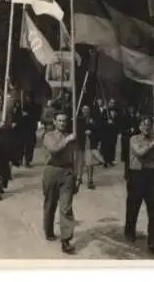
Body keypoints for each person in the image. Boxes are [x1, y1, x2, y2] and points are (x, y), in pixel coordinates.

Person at [125, 116, 154, 255]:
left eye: (148, 124)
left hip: (151, 175)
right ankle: (130, 232)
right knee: (133, 206)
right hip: (136, 175)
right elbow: (140, 153)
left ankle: (153, 241)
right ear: (139, 126)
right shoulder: (134, 139)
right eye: (143, 124)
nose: (146, 127)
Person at [42, 113, 82, 254]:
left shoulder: (72, 137)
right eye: (59, 121)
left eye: (64, 121)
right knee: (50, 204)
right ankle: (48, 230)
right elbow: (54, 150)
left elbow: (77, 157)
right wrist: (67, 141)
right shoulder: (49, 136)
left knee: (66, 208)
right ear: (54, 122)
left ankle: (66, 240)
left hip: (67, 173)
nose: (62, 123)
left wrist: (78, 178)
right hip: (51, 171)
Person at [77, 105, 100, 189]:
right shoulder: (78, 119)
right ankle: (79, 178)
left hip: (90, 144)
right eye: (84, 109)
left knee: (90, 163)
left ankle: (90, 180)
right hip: (81, 143)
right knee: (80, 162)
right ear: (81, 110)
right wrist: (84, 132)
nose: (86, 111)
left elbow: (97, 131)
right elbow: (76, 131)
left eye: (87, 109)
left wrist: (91, 131)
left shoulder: (92, 120)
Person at [121, 106, 139, 180]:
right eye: (130, 108)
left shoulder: (136, 118)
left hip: (134, 140)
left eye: (132, 109)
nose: (131, 110)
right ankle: (127, 174)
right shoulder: (125, 118)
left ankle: (133, 173)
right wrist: (129, 130)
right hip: (127, 140)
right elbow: (122, 129)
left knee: (134, 158)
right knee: (127, 159)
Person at [101, 98, 119, 167]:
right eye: (111, 103)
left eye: (113, 103)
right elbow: (101, 122)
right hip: (106, 132)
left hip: (113, 132)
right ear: (108, 103)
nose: (112, 104)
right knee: (106, 147)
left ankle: (111, 160)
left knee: (112, 146)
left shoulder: (116, 111)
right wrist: (107, 122)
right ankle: (105, 161)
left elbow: (118, 121)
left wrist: (114, 123)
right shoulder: (105, 111)